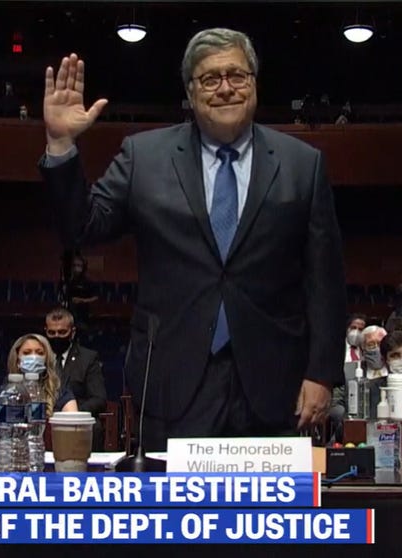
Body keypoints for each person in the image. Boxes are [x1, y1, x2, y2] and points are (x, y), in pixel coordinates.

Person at [39, 28, 346, 450]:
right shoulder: (144, 157)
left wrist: (322, 373)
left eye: (237, 75)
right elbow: (81, 227)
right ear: (189, 91)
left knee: (268, 496)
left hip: (276, 385)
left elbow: (325, 281)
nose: (225, 88)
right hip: (171, 382)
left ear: (254, 82)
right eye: (210, 78)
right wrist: (60, 144)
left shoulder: (302, 165)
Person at [0, 334, 78, 416]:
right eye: (26, 353)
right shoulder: (2, 393)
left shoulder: (61, 393)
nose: (34, 357)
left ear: (46, 360)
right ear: (17, 360)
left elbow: (72, 424)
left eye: (40, 353)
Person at [45, 307, 106, 415]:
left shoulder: (88, 358)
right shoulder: (40, 357)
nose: (56, 336)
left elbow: (98, 399)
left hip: (76, 418)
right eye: (52, 332)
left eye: (62, 332)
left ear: (72, 332)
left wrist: (73, 413)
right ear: (45, 331)